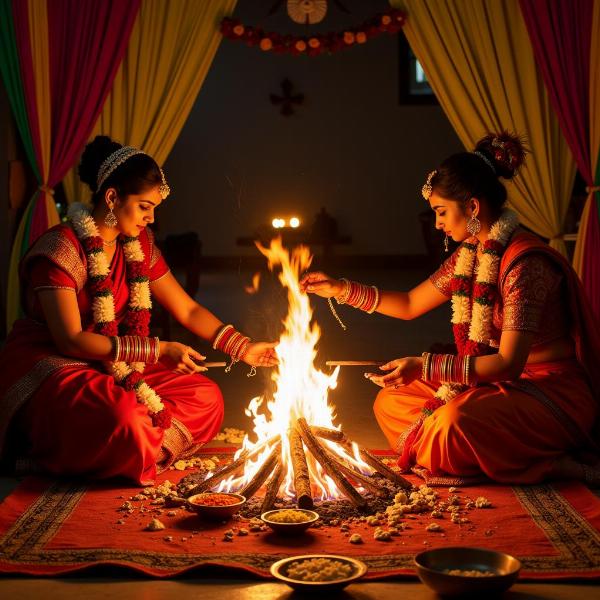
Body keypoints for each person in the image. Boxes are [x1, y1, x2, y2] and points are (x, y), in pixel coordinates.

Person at [301, 132, 600, 486]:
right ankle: (472, 455)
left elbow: (509, 363)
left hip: (549, 392)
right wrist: (340, 289)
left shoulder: (524, 263)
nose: (438, 223)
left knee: (452, 423)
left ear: (472, 208)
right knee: (390, 401)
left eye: (442, 212)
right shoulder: (470, 254)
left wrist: (426, 365)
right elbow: (412, 303)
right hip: (492, 387)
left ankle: (546, 465)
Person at [0, 136, 277, 486]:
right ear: (112, 197)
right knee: (125, 416)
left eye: (155, 209)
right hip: (55, 363)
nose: (151, 218)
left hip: (115, 356)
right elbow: (69, 340)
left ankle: (130, 450)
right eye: (145, 206)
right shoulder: (61, 248)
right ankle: (117, 445)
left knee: (206, 396)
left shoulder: (139, 246)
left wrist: (243, 347)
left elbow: (188, 309)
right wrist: (157, 350)